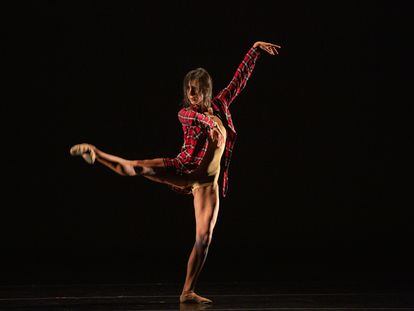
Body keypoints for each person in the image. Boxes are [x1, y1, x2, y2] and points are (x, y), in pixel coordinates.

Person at [70, 41, 281, 304]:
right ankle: (96, 153)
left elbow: (239, 80)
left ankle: (187, 291)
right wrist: (208, 122)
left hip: (208, 183)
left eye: (196, 88)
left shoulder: (221, 105)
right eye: (188, 88)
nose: (191, 92)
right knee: (138, 166)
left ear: (206, 90)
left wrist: (255, 49)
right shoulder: (186, 114)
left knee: (204, 238)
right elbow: (195, 119)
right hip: (183, 169)